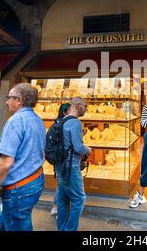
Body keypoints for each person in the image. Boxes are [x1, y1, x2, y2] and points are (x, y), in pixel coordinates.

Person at [0, 83, 46, 231]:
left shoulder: (15, 121)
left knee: (18, 223)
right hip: (34, 181)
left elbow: (5, 164)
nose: (7, 101)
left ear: (20, 100)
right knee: (7, 223)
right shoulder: (37, 120)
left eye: (9, 97)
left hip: (19, 188)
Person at [56, 97, 91, 231]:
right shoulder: (75, 123)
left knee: (63, 200)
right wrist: (88, 149)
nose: (86, 109)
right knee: (79, 199)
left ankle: (61, 228)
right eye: (85, 106)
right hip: (71, 166)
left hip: (60, 166)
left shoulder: (62, 120)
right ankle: (69, 229)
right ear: (77, 106)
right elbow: (78, 147)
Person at [51, 102, 71, 216]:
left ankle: (60, 206)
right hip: (61, 159)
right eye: (69, 111)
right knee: (62, 183)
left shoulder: (58, 122)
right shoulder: (63, 124)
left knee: (62, 182)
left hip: (59, 158)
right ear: (64, 112)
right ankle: (56, 206)